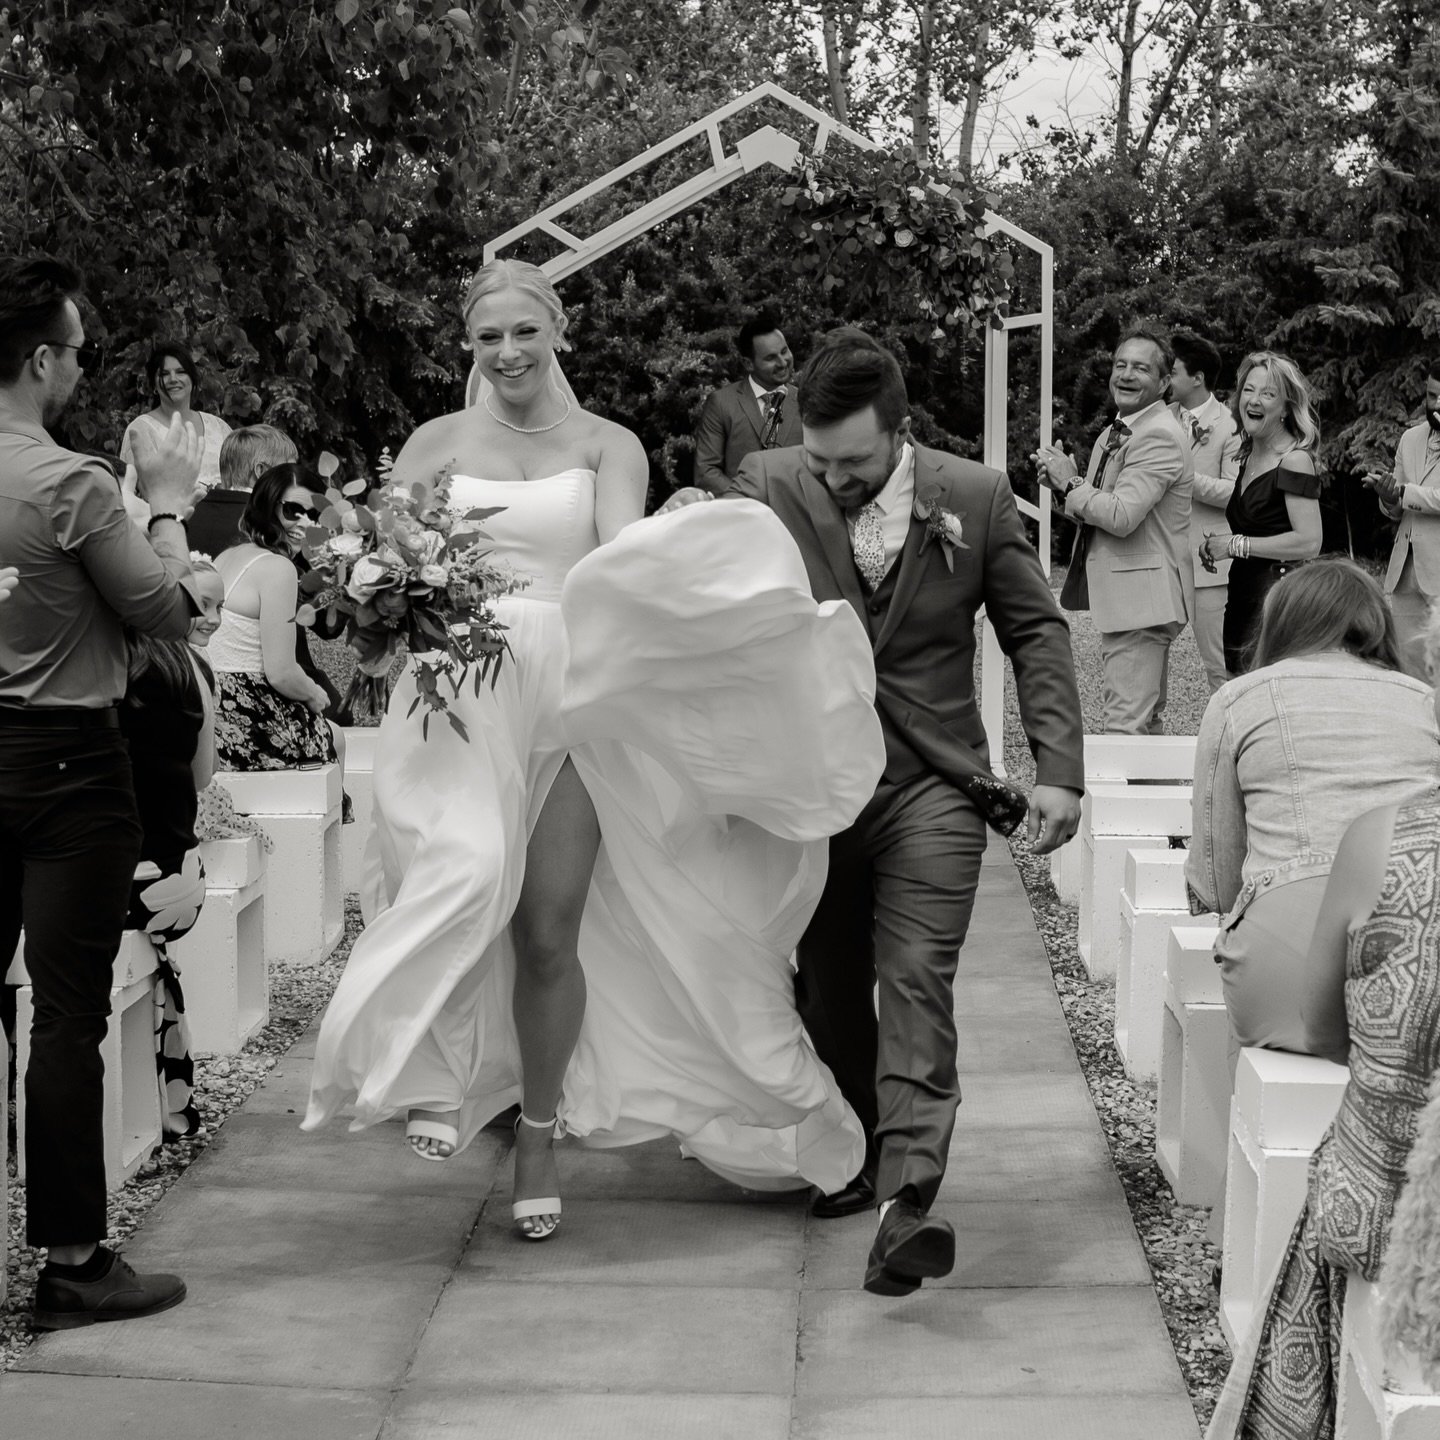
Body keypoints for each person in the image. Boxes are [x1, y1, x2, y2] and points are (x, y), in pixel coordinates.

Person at [304, 260, 884, 1243]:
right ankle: (440, 1072)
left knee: (547, 928)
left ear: (558, 330)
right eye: (489, 338)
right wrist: (375, 593)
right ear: (470, 346)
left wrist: (685, 535)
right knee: (461, 875)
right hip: (460, 691)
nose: (508, 353)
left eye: (524, 332)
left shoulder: (608, 444)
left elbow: (620, 558)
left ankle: (537, 1137)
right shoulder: (434, 443)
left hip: (569, 693)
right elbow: (388, 565)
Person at [668, 326, 1085, 1295]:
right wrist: (680, 524)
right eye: (819, 460)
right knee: (828, 984)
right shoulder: (769, 481)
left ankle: (909, 1198)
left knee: (915, 978)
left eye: (851, 462)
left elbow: (1035, 632)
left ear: (902, 431)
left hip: (933, 785)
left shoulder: (976, 497)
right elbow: (702, 586)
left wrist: (1059, 769)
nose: (832, 478)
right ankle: (852, 1145)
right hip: (808, 790)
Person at [0, 253, 200, 1328]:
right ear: (41, 360)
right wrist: (170, 535)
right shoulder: (69, 481)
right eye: (77, 352)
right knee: (67, 1015)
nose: (81, 369)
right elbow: (162, 609)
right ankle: (74, 1262)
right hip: (67, 765)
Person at [1205, 602, 1440, 1439]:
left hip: (1392, 1207)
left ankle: (1229, 1243)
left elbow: (1213, 875)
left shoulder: (1386, 839)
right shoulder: (1408, 701)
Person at [1185, 559, 1438, 1066]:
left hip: (1283, 970)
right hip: (1420, 962)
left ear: (1279, 622)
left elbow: (1217, 881)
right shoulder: (1424, 701)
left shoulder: (1237, 699)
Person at [1035, 327, 1194, 735]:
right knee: (1145, 725)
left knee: (1124, 728)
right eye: (1120, 365)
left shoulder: (1158, 435)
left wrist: (1072, 483)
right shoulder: (1115, 432)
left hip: (1142, 602)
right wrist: (1063, 487)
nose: (1125, 374)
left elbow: (1122, 516)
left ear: (1164, 382)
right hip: (1136, 600)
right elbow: (1098, 510)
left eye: (1140, 368)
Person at [119, 567, 219, 1139]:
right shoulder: (190, 666)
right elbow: (203, 777)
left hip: (113, 882)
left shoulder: (78, 661)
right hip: (178, 882)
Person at [1197, 350, 1323, 675]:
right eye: (1249, 390)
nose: (1253, 400)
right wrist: (1219, 545)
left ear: (1286, 408)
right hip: (1242, 596)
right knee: (1238, 687)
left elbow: (1309, 542)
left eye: (1268, 394)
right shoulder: (1249, 454)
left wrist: (1234, 545)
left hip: (1278, 604)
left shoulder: (1294, 460)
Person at [209, 464, 338, 771]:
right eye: (293, 510)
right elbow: (281, 672)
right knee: (336, 737)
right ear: (268, 507)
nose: (304, 523)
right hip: (243, 713)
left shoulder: (228, 555)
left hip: (210, 705)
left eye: (314, 514)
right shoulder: (279, 568)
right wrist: (316, 695)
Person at [1170, 331, 1243, 692]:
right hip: (1161, 556)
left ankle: (1229, 726)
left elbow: (1236, 492)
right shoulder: (1159, 420)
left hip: (1209, 561)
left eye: (1173, 372)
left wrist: (1185, 477)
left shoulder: (1231, 425)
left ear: (1197, 378)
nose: (1166, 378)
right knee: (1147, 661)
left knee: (1221, 666)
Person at [1369, 359, 1440, 680]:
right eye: (1432, 396)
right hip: (1406, 571)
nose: (1436, 405)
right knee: (1407, 668)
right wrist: (1388, 497)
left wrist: (1403, 492)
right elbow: (1397, 508)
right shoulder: (1410, 438)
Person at [692, 308, 803, 495]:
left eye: (784, 351)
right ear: (748, 363)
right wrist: (749, 503)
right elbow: (706, 472)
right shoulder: (721, 403)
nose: (783, 362)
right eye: (771, 358)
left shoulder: (806, 401)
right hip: (741, 509)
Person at [120, 341, 232, 493]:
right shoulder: (140, 430)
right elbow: (130, 491)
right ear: (154, 385)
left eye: (181, 372)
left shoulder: (218, 427)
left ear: (192, 379)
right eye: (164, 374)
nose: (173, 379)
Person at [186, 423, 298, 557]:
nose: (294, 483)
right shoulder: (271, 527)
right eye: (288, 473)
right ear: (261, 471)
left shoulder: (187, 514)